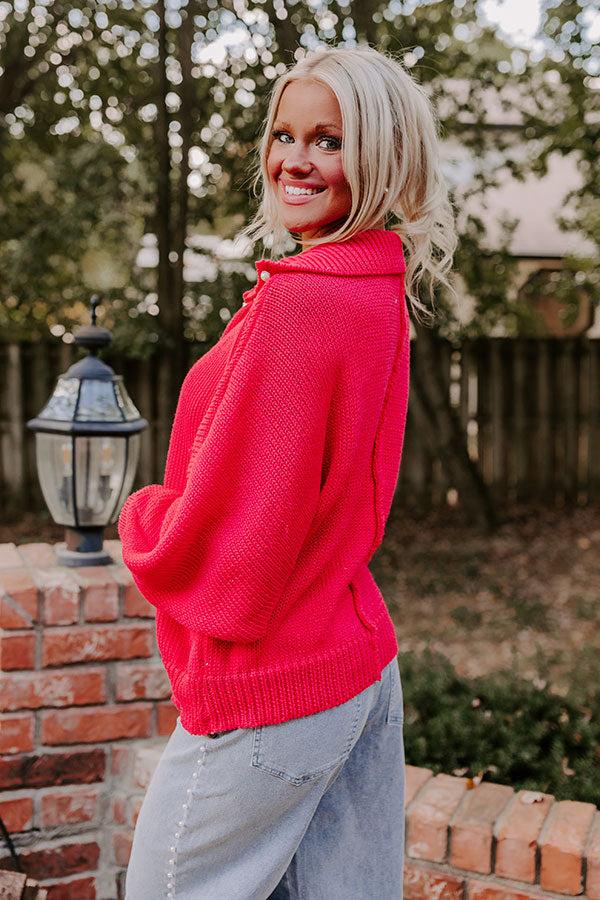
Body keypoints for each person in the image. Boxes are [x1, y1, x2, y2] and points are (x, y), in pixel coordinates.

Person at [119, 43, 457, 900]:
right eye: (283, 133)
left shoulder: (306, 301)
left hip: (274, 681)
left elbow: (241, 546)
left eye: (328, 141)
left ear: (379, 158)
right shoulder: (373, 285)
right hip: (354, 661)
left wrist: (146, 520)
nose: (293, 160)